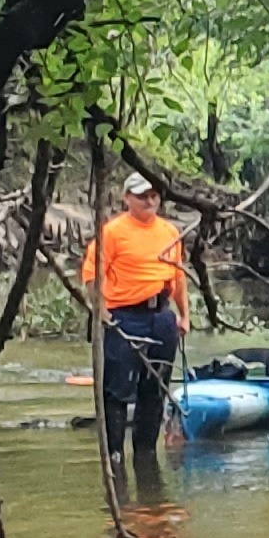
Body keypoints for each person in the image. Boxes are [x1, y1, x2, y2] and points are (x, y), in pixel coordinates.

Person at [80, 174, 189, 461]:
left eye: (154, 195)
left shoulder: (169, 232)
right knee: (116, 391)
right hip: (123, 317)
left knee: (155, 388)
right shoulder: (113, 232)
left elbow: (178, 277)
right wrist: (103, 313)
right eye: (142, 196)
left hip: (161, 317)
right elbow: (92, 275)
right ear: (127, 197)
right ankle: (114, 456)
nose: (149, 200)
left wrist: (184, 315)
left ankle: (146, 456)